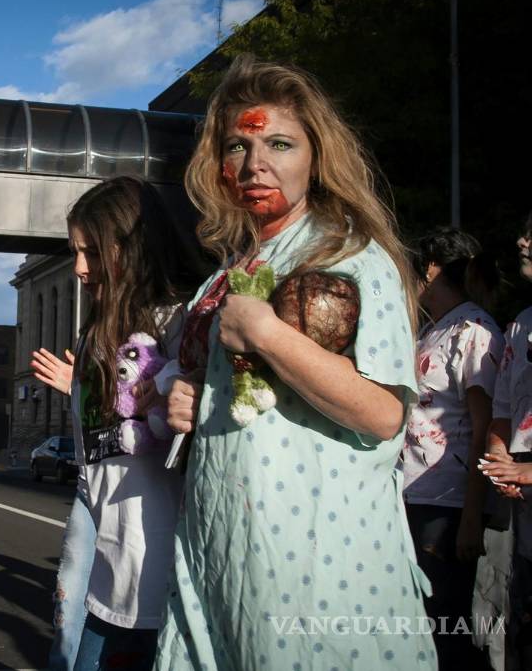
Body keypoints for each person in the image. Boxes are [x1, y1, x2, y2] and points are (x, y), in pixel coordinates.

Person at [160, 55, 436, 668]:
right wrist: (192, 397)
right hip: (220, 560)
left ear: (316, 157)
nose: (254, 164)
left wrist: (268, 334)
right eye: (237, 146)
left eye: (279, 144)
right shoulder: (228, 273)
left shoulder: (350, 256)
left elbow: (383, 413)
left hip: (313, 575)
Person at [33, 176, 210, 670]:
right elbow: (97, 456)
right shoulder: (95, 334)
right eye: (75, 252)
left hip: (162, 570)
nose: (79, 268)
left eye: (92, 252)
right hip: (105, 566)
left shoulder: (183, 320)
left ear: (133, 248)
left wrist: (182, 390)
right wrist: (82, 385)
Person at [400, 228, 502, 666]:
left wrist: (472, 517)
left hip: (448, 503)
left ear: (430, 269)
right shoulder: (433, 329)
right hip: (413, 493)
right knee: (418, 624)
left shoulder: (474, 330)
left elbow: (484, 428)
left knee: (445, 626)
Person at [479, 211, 532, 667]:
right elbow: (501, 408)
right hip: (522, 503)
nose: (522, 241)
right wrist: (500, 464)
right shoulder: (519, 324)